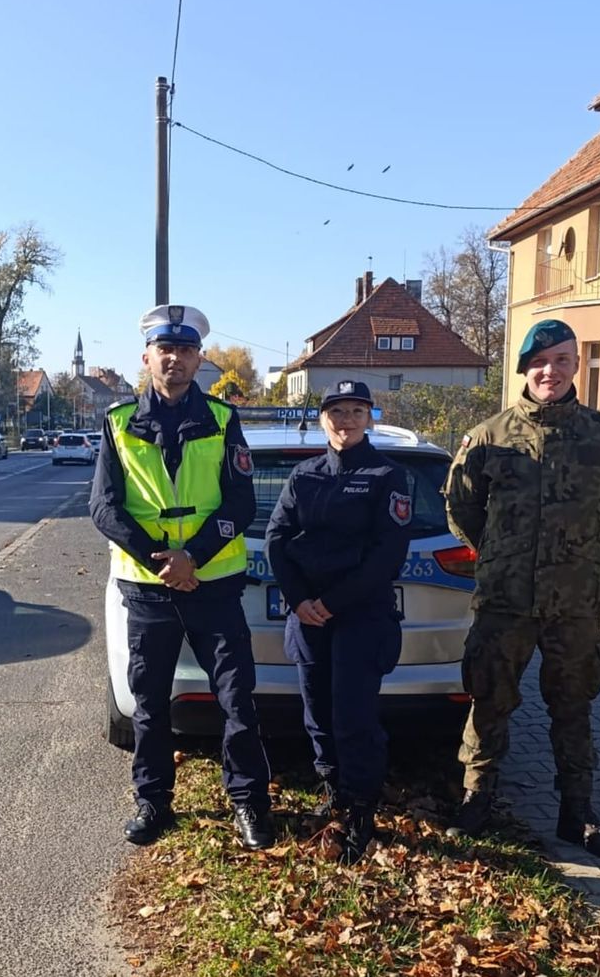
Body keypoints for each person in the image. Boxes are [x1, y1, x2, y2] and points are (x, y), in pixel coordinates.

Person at [443, 318, 600, 860]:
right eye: (539, 362)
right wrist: (499, 552)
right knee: (489, 700)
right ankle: (477, 797)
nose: (549, 371)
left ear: (575, 365)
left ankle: (576, 812)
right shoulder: (489, 437)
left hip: (576, 603)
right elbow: (461, 506)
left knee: (574, 705)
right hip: (505, 601)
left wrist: (580, 550)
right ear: (524, 371)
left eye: (560, 360)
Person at [89, 304, 275, 851]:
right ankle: (153, 802)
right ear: (147, 357)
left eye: (186, 350)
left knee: (237, 698)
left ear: (199, 359)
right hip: (148, 589)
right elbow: (103, 507)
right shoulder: (119, 422)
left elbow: (242, 502)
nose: (175, 359)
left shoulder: (221, 419)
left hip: (214, 584)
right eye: (165, 350)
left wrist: (192, 556)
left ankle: (248, 803)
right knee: (149, 704)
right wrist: (160, 561)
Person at [265, 380, 412, 863]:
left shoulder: (386, 475)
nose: (345, 420)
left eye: (355, 410)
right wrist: (300, 599)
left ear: (369, 417)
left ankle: (361, 809)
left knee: (354, 718)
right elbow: (277, 538)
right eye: (336, 411)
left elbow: (386, 556)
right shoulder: (304, 475)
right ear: (323, 418)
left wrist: (332, 601)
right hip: (307, 616)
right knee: (316, 712)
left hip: (360, 616)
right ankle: (334, 790)